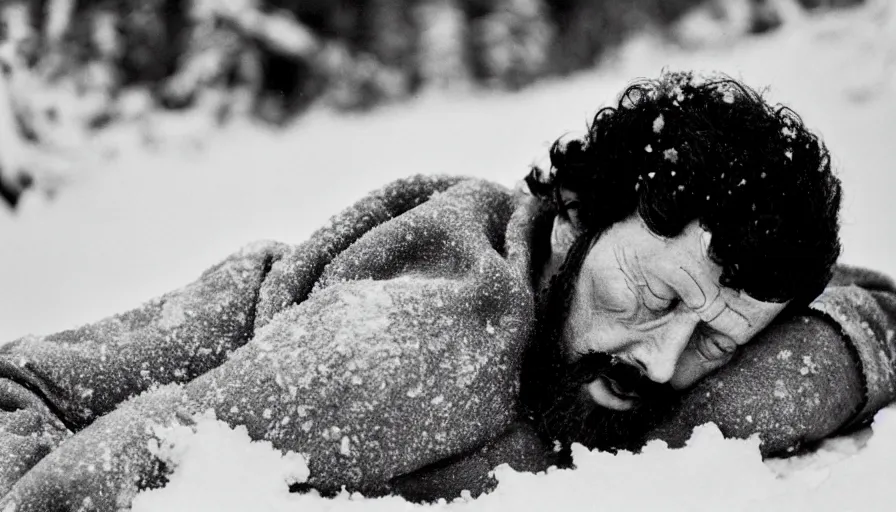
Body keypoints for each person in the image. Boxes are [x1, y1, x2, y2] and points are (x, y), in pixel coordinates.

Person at [2, 71, 895, 510]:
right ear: (576, 217)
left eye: (715, 343)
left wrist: (829, 359)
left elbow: (869, 305)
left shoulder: (626, 359)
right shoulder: (405, 352)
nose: (659, 364)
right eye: (653, 298)